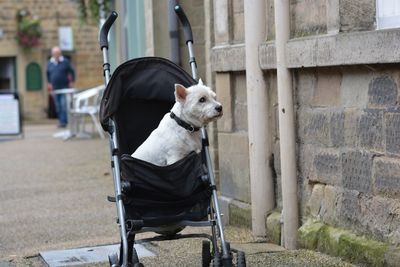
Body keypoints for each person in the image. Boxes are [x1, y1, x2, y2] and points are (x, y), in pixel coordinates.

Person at [47, 46, 75, 128]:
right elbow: (48, 74)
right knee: (58, 106)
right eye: (54, 53)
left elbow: (72, 72)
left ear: (60, 54)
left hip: (64, 87)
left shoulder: (65, 62)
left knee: (63, 105)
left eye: (57, 53)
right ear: (52, 54)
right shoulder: (50, 63)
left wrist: (71, 81)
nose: (56, 55)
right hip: (55, 88)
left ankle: (64, 122)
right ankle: (61, 121)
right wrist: (49, 83)